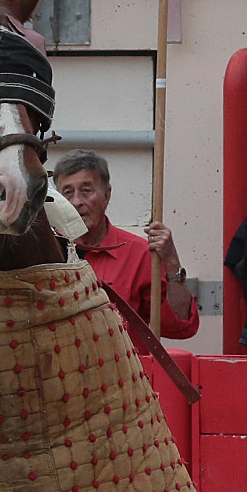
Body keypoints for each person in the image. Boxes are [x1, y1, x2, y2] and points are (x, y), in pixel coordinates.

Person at [55, 149, 199, 352]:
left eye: (86, 191)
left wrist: (171, 260)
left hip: (121, 379)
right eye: (67, 193)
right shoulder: (45, 252)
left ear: (106, 195)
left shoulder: (138, 254)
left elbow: (180, 326)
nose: (76, 201)